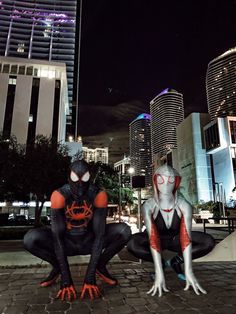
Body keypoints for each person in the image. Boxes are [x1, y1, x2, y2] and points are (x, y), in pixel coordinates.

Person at [24, 159, 131, 301]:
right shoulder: (59, 195)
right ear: (69, 177)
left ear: (90, 177)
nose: (80, 183)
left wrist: (90, 276)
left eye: (85, 177)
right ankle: (56, 267)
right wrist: (66, 279)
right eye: (75, 178)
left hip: (89, 241)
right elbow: (57, 237)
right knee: (30, 239)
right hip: (67, 242)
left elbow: (100, 235)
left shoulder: (98, 195)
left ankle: (100, 266)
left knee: (124, 231)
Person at [127, 164, 215, 297]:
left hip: (176, 240)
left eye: (171, 180)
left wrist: (188, 271)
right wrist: (159, 273)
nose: (166, 184)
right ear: (156, 181)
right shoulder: (149, 205)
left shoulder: (184, 205)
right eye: (161, 180)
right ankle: (162, 264)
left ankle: (176, 261)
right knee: (132, 243)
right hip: (156, 240)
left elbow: (186, 238)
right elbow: (153, 238)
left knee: (208, 241)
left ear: (176, 182)